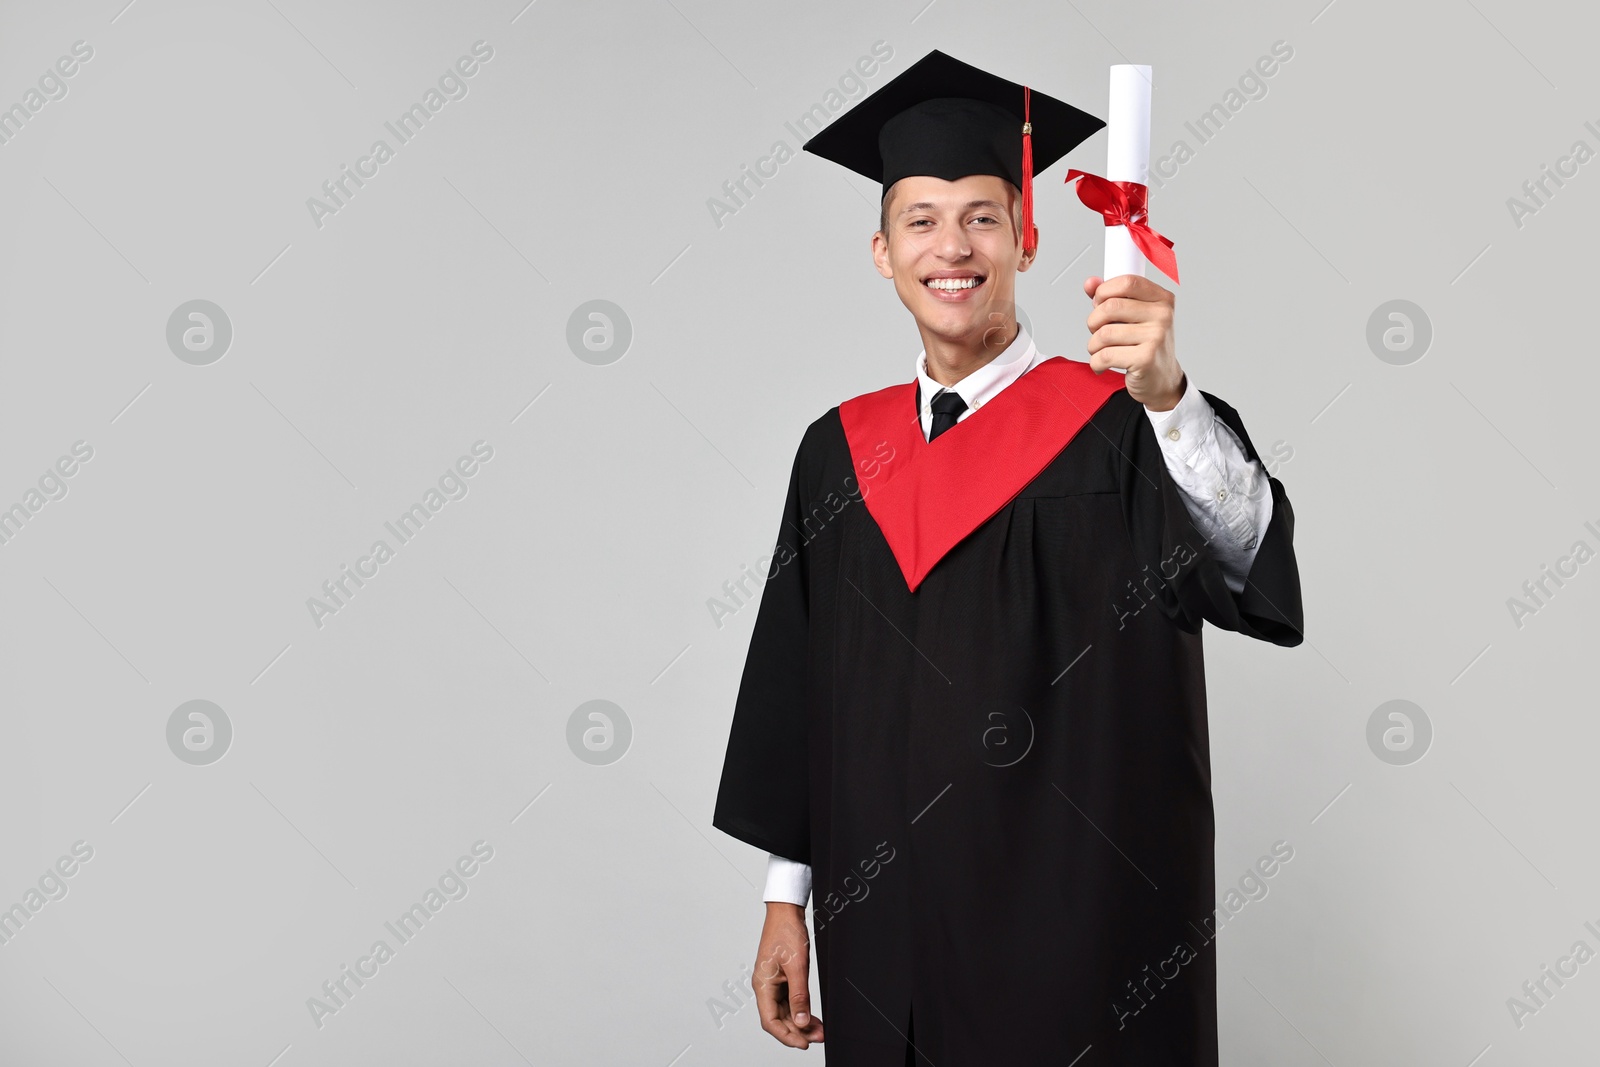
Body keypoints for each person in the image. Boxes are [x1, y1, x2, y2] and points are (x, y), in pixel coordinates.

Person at [712, 48, 1303, 1066]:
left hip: (1077, 934)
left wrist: (1167, 392)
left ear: (1026, 240)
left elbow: (1242, 562)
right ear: (881, 251)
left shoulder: (1119, 423)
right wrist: (783, 897)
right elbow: (794, 686)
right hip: (884, 926)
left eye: (983, 216)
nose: (954, 246)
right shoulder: (838, 451)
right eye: (922, 220)